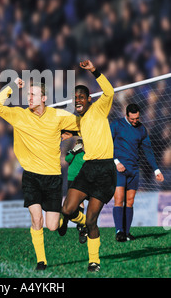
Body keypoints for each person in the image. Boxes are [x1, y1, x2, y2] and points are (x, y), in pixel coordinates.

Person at [0, 77, 84, 271]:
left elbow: (83, 124)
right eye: (27, 94)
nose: (29, 97)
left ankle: (79, 220)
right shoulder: (19, 115)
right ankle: (42, 261)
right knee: (36, 219)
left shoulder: (58, 116)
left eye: (33, 94)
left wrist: (76, 131)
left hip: (52, 177)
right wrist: (13, 86)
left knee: (52, 226)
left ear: (44, 98)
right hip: (31, 176)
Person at [58, 59, 116, 272]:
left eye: (81, 97)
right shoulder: (80, 120)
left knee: (93, 220)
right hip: (88, 168)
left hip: (105, 171)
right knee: (67, 209)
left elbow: (109, 92)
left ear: (89, 99)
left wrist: (94, 70)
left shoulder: (100, 108)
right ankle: (81, 222)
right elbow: (84, 132)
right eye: (75, 99)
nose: (78, 100)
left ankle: (94, 261)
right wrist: (69, 134)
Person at [110, 103, 164, 242]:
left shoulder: (141, 129)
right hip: (119, 169)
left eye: (137, 118)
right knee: (119, 199)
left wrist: (156, 170)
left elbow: (148, 150)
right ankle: (119, 231)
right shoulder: (116, 125)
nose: (135, 121)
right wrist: (116, 162)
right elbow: (107, 145)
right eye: (132, 119)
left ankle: (127, 232)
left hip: (134, 170)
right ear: (126, 115)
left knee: (130, 201)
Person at [62, 137, 88, 243]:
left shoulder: (85, 155)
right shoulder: (71, 153)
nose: (79, 145)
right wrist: (73, 151)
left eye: (80, 144)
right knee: (69, 201)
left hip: (81, 180)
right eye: (77, 143)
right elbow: (67, 159)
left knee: (80, 201)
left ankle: (82, 226)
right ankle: (65, 221)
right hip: (70, 179)